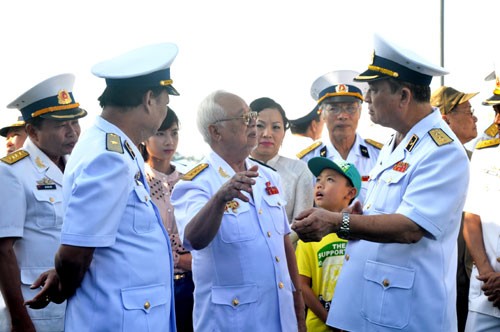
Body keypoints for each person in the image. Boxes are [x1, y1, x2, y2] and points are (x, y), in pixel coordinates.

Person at [292, 34, 470, 331]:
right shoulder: (395, 143)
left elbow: (411, 227)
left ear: (403, 96)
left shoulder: (442, 151)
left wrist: (339, 222)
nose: (366, 98)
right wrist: (355, 217)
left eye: (374, 90)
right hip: (375, 304)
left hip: (405, 311)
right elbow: (383, 213)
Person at [25, 43, 180, 331]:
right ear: (149, 99)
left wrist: (63, 274)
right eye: (165, 101)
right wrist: (64, 281)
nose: (165, 109)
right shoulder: (109, 156)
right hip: (117, 319)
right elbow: (75, 253)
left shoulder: (116, 147)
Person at [171, 90, 306, 331]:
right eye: (244, 118)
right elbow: (193, 239)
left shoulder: (268, 176)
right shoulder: (195, 182)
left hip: (280, 317)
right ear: (216, 131)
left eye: (252, 115)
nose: (253, 123)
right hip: (233, 321)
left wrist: (297, 305)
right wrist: (220, 199)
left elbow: (283, 244)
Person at [0, 73, 86, 331]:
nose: (72, 132)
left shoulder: (77, 168)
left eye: (75, 122)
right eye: (61, 125)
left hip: (78, 299)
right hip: (35, 308)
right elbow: (3, 250)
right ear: (32, 131)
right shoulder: (11, 172)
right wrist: (19, 318)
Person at [139, 107, 194, 332]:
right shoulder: (136, 181)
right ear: (144, 137)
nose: (169, 141)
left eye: (174, 132)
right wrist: (178, 259)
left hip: (192, 284)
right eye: (160, 133)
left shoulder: (189, 181)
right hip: (151, 284)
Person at [431, 85, 479, 332]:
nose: (475, 117)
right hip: (440, 275)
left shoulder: (479, 160)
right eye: (468, 110)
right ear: (445, 119)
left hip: (475, 276)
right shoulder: (429, 161)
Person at [295, 157, 360, 332]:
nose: (320, 185)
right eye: (318, 179)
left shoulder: (362, 234)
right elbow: (302, 285)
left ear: (350, 193)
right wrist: (330, 320)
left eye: (330, 179)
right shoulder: (310, 235)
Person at [297, 70, 382, 203]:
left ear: (360, 112)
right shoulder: (307, 160)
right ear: (322, 114)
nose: (342, 115)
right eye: (334, 109)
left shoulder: (379, 156)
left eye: (350, 108)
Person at [462, 70, 500, 331]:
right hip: (486, 292)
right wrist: (486, 271)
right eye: (497, 109)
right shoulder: (484, 155)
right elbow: (471, 217)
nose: (497, 118)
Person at [249, 97, 314, 224]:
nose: (267, 134)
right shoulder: (234, 168)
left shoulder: (299, 170)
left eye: (276, 127)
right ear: (247, 128)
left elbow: (301, 225)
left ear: (284, 132)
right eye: (259, 126)